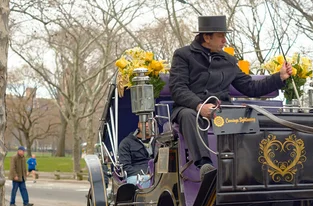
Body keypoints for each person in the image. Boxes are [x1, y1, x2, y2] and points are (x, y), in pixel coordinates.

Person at [169, 15, 292, 180]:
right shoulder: (183, 55)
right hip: (191, 109)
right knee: (189, 115)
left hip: (221, 110)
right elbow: (178, 88)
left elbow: (250, 87)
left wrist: (280, 77)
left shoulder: (228, 60)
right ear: (207, 37)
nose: (225, 41)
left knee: (247, 116)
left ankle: (252, 169)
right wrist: (199, 106)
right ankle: (205, 165)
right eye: (221, 36)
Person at [118, 121, 153, 188]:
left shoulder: (159, 141)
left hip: (158, 175)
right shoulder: (126, 143)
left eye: (150, 122)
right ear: (138, 124)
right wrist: (147, 174)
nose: (147, 125)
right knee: (145, 180)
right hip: (136, 176)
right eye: (144, 122)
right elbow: (126, 168)